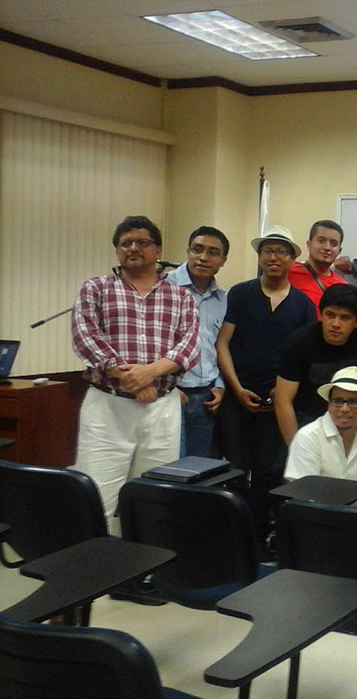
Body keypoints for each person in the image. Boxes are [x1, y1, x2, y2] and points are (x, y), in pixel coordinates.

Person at [71, 215, 200, 526]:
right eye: (125, 243)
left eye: (142, 242)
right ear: (117, 251)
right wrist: (128, 377)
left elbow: (191, 344)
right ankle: (97, 569)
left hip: (162, 408)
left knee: (154, 496)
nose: (133, 248)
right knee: (97, 494)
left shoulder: (181, 296)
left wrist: (151, 373)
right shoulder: (96, 288)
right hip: (108, 408)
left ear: (157, 250)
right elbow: (85, 338)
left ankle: (147, 569)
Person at [216, 225, 316, 539]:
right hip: (237, 397)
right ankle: (232, 535)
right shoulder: (241, 293)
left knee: (268, 474)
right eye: (267, 251)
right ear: (259, 257)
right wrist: (235, 387)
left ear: (292, 259)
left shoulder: (302, 304)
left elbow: (306, 355)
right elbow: (222, 344)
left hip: (278, 402)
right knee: (233, 470)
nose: (273, 257)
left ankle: (260, 537)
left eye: (281, 251)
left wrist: (280, 389)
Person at [275, 284, 357, 445]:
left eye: (345, 318)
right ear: (321, 315)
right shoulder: (298, 342)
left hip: (353, 421)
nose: (335, 324)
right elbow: (283, 401)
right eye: (330, 315)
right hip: (307, 421)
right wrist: (296, 449)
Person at [284, 367, 357, 509]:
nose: (344, 408)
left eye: (353, 401)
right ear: (328, 404)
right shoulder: (307, 437)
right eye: (337, 401)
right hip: (316, 518)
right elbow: (301, 495)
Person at [166, 225, 229, 457]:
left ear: (223, 260)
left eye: (213, 252)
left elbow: (217, 348)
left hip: (206, 396)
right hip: (170, 393)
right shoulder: (163, 288)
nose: (203, 257)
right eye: (197, 249)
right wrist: (167, 387)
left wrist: (220, 386)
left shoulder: (223, 299)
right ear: (188, 251)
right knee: (169, 468)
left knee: (196, 470)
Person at [287, 219, 346, 311]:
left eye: (333, 244)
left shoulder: (342, 287)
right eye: (321, 241)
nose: (327, 247)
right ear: (309, 244)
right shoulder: (288, 272)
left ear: (339, 251)